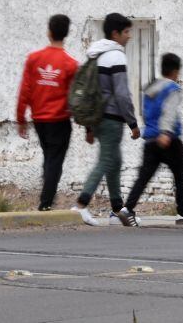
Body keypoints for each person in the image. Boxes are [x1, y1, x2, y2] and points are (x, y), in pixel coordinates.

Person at [72, 13, 139, 225]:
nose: (129, 36)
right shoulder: (116, 56)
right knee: (107, 160)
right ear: (115, 33)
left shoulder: (96, 55)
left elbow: (91, 93)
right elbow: (121, 94)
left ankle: (117, 210)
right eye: (126, 32)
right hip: (112, 119)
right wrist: (133, 123)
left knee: (114, 160)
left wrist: (89, 128)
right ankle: (81, 204)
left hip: (98, 118)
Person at [116, 53, 183, 227]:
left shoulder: (151, 88)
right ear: (175, 71)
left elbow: (147, 113)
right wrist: (166, 132)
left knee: (143, 177)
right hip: (169, 139)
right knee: (179, 178)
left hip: (150, 140)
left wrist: (151, 131)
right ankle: (182, 214)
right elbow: (170, 111)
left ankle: (127, 210)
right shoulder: (172, 89)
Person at [16, 14, 79, 211]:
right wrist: (87, 125)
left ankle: (46, 196)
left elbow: (25, 90)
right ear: (66, 34)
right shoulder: (71, 64)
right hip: (60, 120)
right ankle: (46, 202)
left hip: (39, 120)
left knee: (48, 157)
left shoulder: (34, 59)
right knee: (55, 161)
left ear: (49, 32)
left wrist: (20, 118)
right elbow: (75, 97)